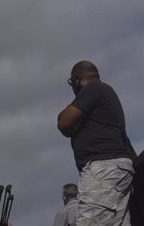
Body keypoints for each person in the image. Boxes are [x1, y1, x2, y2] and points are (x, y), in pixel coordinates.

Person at [57, 60, 136, 226]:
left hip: (103, 170)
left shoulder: (92, 89)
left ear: (77, 79)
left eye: (72, 83)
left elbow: (64, 123)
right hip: (118, 169)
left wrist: (67, 111)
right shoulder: (104, 93)